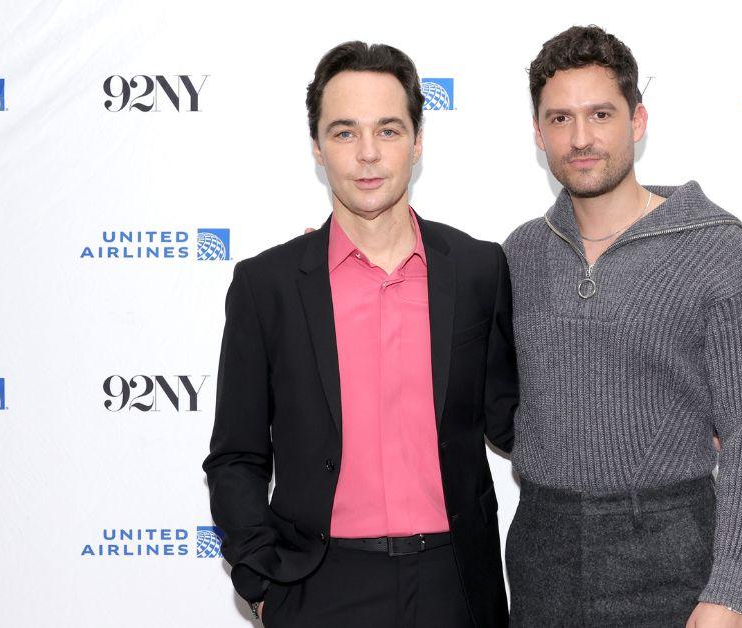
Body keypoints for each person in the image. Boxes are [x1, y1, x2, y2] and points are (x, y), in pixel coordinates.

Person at [202, 40, 516, 628]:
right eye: (345, 132)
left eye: (389, 130)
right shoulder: (265, 285)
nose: (368, 154)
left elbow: (514, 419)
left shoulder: (479, 269)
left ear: (418, 141)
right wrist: (261, 579)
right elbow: (237, 456)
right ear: (317, 148)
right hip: (318, 588)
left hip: (454, 584)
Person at [502, 25, 742, 628]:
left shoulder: (717, 250)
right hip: (540, 552)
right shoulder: (520, 254)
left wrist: (730, 591)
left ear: (638, 120)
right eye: (560, 119)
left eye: (600, 114)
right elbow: (496, 400)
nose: (581, 138)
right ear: (537, 133)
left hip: (671, 553)